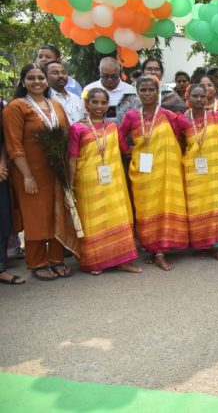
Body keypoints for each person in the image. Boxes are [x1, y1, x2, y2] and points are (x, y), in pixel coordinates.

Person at [4, 63, 79, 281]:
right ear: (23, 81)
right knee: (35, 215)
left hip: (56, 172)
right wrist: (27, 175)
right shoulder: (16, 107)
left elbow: (66, 136)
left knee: (56, 213)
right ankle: (37, 262)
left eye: (40, 78)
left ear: (46, 81)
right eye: (31, 78)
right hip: (29, 172)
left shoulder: (55, 105)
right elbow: (14, 145)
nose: (37, 82)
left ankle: (56, 259)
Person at [119, 76, 189, 271]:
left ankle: (160, 252)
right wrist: (128, 150)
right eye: (143, 90)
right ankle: (152, 247)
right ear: (137, 93)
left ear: (157, 92)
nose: (147, 93)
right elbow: (118, 135)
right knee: (147, 209)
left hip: (166, 170)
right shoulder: (132, 116)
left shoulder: (168, 115)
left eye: (151, 90)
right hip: (144, 173)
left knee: (165, 204)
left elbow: (181, 133)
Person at [67, 88, 140, 275]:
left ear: (108, 105)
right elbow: (73, 157)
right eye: (95, 102)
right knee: (94, 219)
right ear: (87, 104)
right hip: (88, 181)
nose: (99, 106)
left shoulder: (112, 127)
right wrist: (70, 182)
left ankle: (123, 261)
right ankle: (96, 262)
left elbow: (125, 149)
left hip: (113, 180)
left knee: (117, 216)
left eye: (103, 102)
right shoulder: (77, 128)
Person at [181, 84, 218, 262]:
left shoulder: (216, 116)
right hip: (195, 170)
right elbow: (181, 143)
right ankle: (202, 244)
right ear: (188, 98)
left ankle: (217, 246)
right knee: (199, 204)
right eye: (195, 96)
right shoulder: (182, 120)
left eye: (202, 96)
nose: (199, 99)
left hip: (217, 168)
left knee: (217, 204)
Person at [0, 99, 24, 285]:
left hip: (1, 173)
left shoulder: (2, 105)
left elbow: (3, 140)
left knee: (4, 221)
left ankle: (1, 268)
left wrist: (2, 163)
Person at [83, 57, 139, 124]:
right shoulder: (89, 89)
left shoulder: (130, 90)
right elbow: (85, 116)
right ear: (99, 70)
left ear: (119, 71)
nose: (109, 79)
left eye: (114, 76)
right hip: (96, 129)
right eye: (105, 76)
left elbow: (136, 117)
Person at [44, 60, 84, 125]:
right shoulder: (45, 99)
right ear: (45, 77)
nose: (61, 75)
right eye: (55, 73)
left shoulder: (75, 98)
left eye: (63, 72)